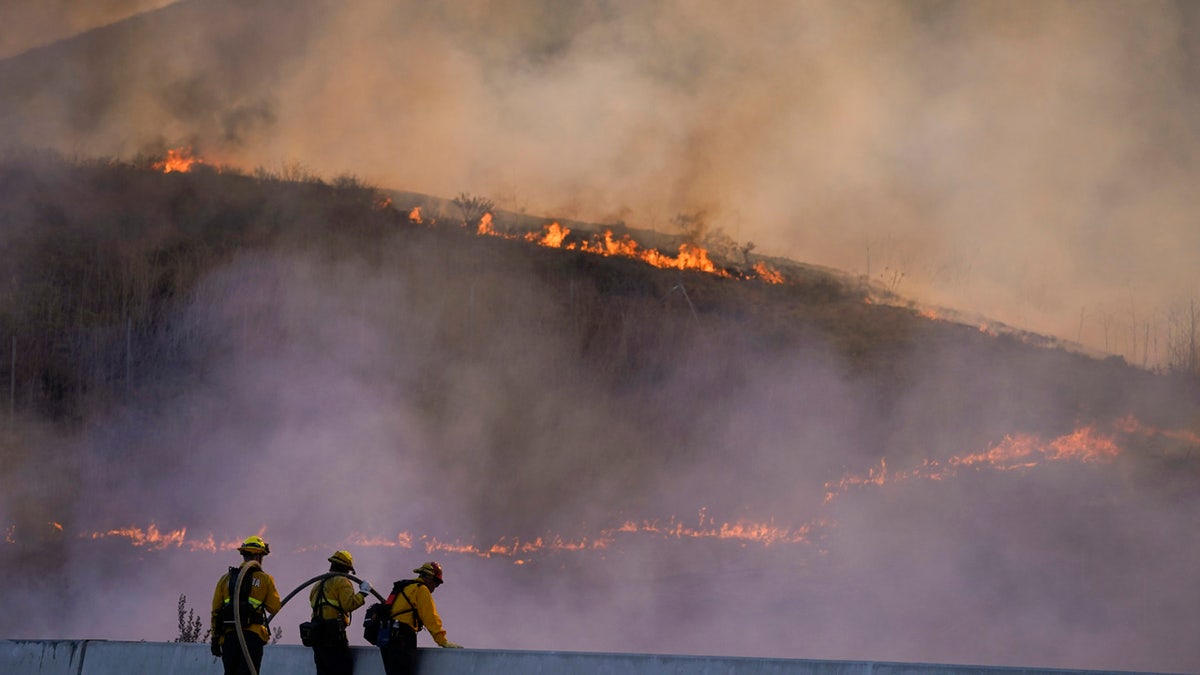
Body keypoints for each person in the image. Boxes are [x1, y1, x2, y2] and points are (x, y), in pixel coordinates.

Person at [210, 535, 283, 675]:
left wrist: (215, 639)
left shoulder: (225, 579)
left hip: (229, 637)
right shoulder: (265, 579)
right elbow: (274, 607)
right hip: (252, 637)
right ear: (257, 557)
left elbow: (216, 611)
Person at [377, 561, 463, 675]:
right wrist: (442, 641)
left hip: (387, 638)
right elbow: (430, 617)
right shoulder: (421, 589)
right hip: (403, 638)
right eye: (436, 583)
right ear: (429, 578)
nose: (435, 588)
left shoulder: (405, 587)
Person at [307, 550, 372, 675]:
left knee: (323, 671)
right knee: (342, 668)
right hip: (333, 635)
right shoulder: (342, 581)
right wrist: (363, 593)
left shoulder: (318, 583)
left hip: (317, 635)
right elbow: (348, 604)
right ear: (347, 568)